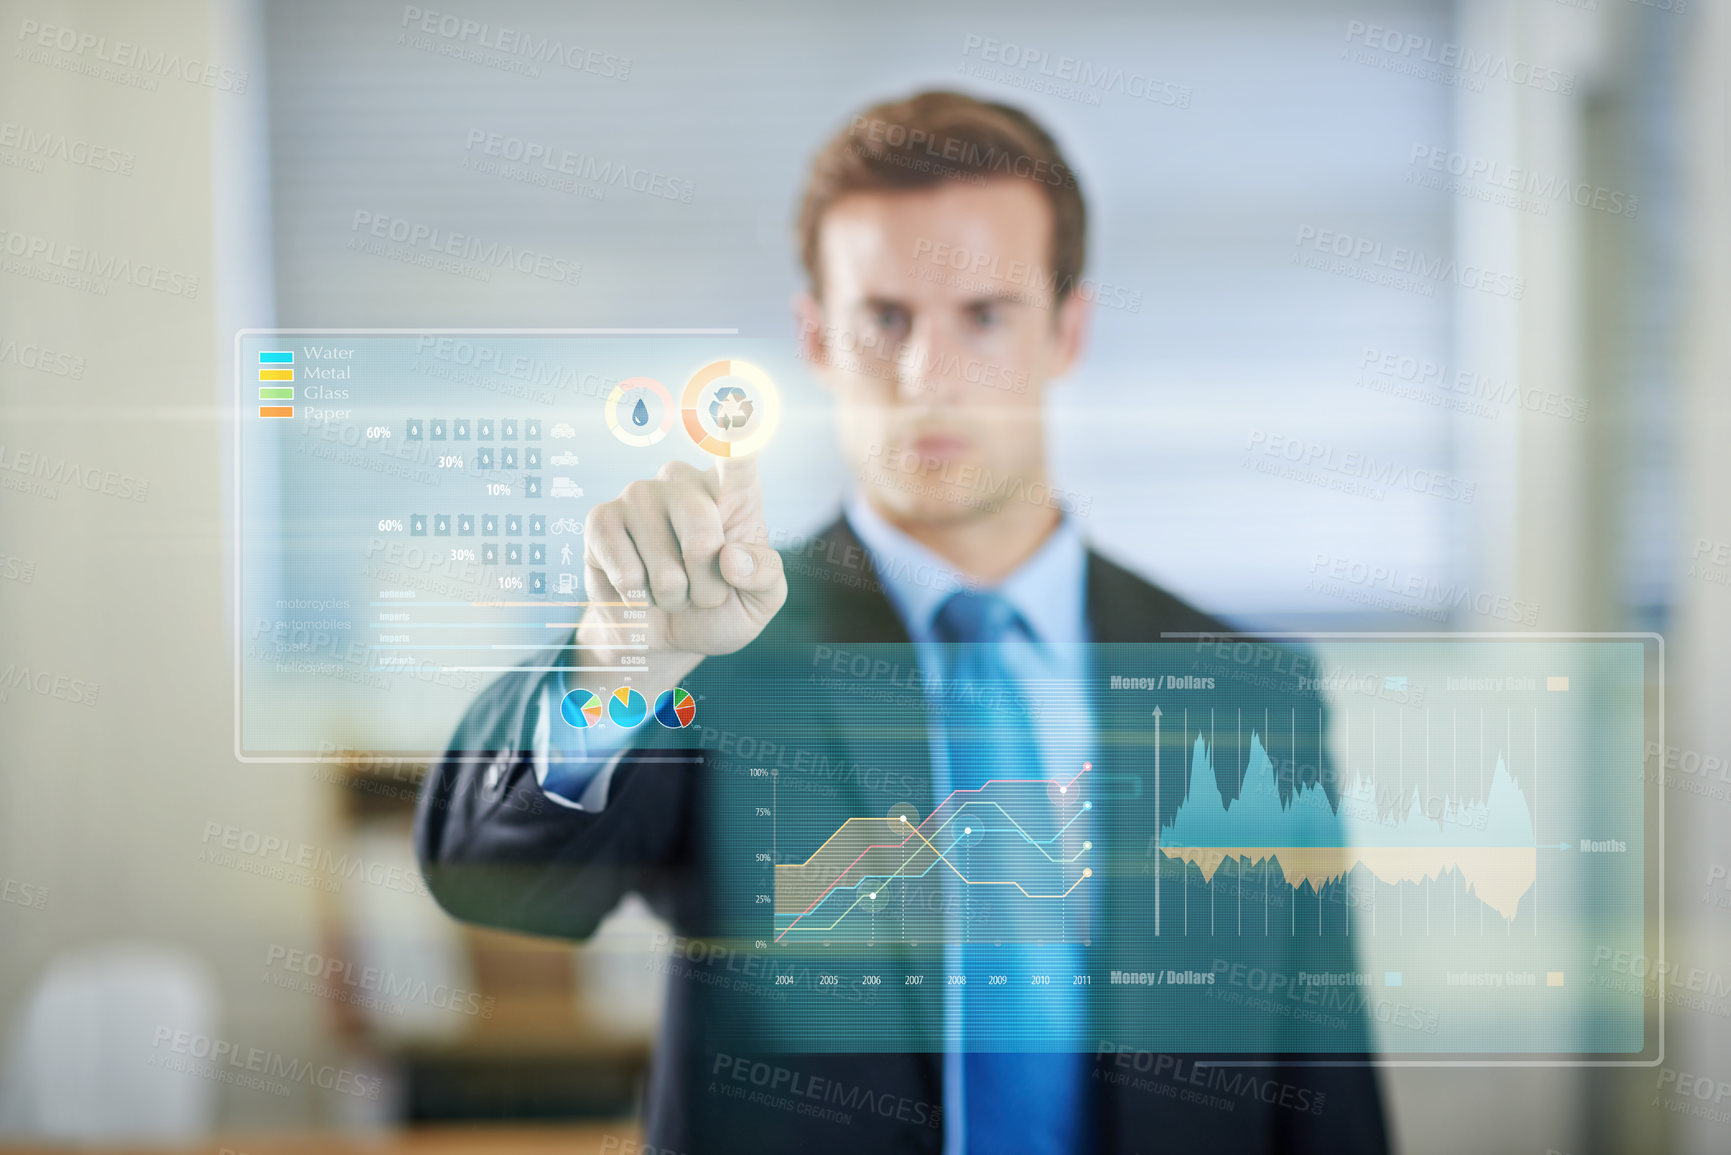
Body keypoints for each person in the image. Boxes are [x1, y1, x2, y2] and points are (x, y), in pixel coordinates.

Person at [417, 89, 1388, 1154]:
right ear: (818, 337)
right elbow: (490, 877)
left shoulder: (1250, 698)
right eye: (885, 319)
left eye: (984, 315)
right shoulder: (717, 649)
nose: (929, 378)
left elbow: (1325, 1104)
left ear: (1068, 329)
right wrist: (616, 663)